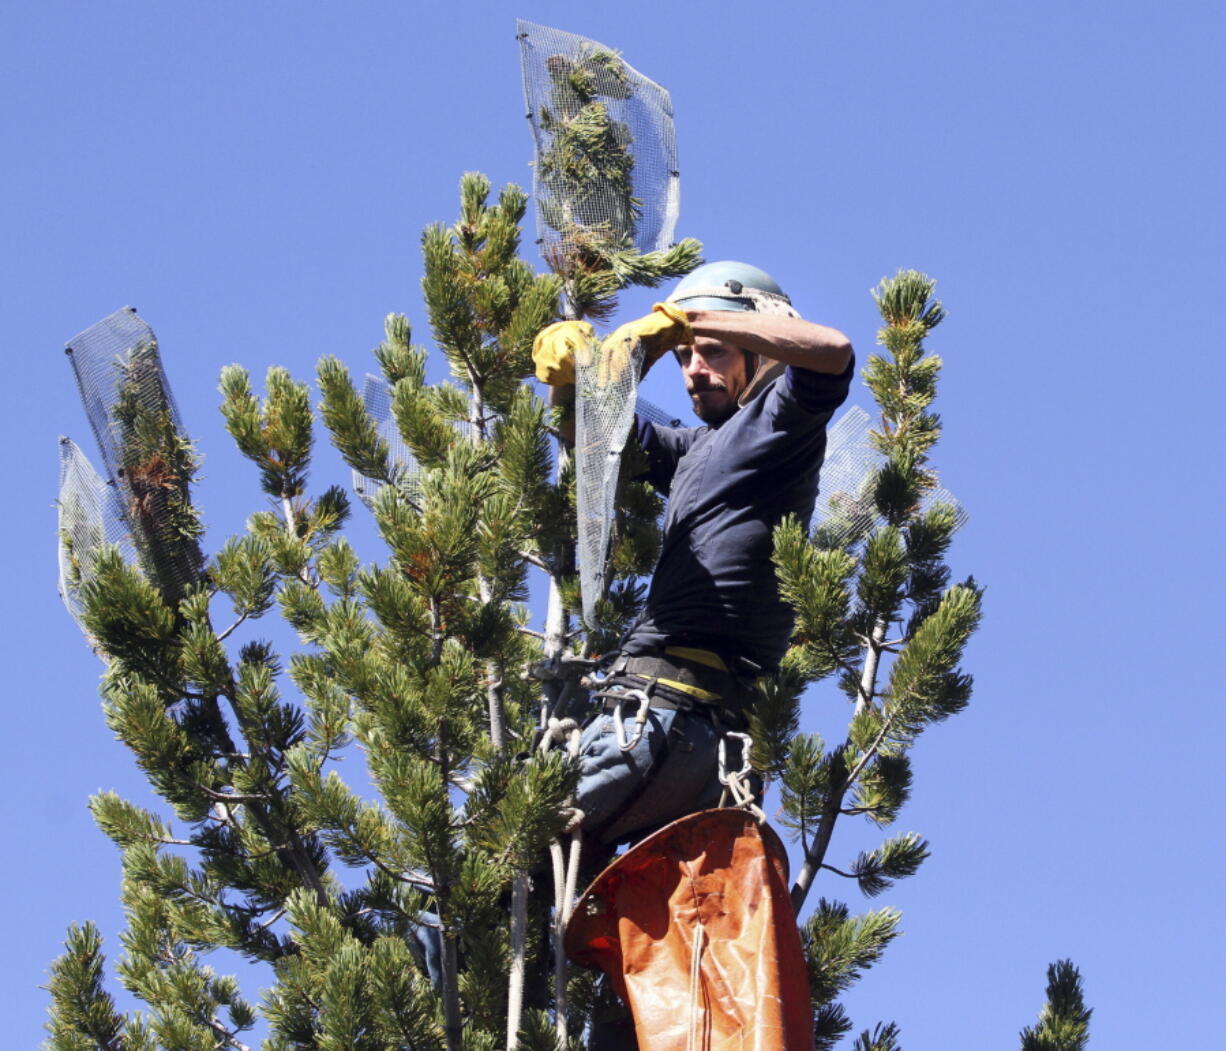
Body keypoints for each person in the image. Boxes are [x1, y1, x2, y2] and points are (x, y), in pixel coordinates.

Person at [533, 261, 854, 848]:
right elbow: (595, 434)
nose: (693, 371)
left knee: (504, 859)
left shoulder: (782, 419)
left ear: (763, 349)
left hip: (670, 717)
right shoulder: (694, 448)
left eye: (713, 353)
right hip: (680, 731)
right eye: (684, 358)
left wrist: (686, 322)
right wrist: (568, 379)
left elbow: (832, 351)